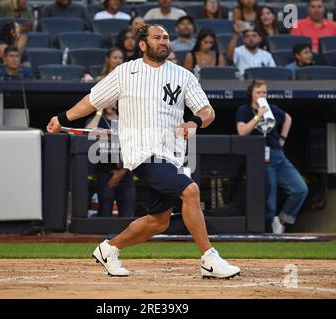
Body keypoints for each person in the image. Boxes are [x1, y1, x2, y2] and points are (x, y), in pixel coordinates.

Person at [47, 24, 241, 279]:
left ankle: (109, 249)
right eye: (157, 37)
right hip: (141, 152)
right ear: (142, 44)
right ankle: (208, 258)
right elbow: (92, 100)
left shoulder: (184, 75)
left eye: (166, 38)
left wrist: (194, 121)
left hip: (171, 155)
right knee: (190, 190)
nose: (163, 41)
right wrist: (62, 118)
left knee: (158, 221)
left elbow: (208, 111)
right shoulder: (125, 72)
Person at [236, 80, 308, 234]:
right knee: (269, 201)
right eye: (258, 92)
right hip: (260, 156)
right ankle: (267, 235)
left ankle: (281, 220)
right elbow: (242, 132)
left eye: (264, 92)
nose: (262, 95)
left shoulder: (272, 108)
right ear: (251, 94)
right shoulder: (244, 110)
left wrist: (282, 138)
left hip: (278, 155)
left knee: (300, 189)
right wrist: (258, 116)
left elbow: (288, 118)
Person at [86, 104, 135, 217]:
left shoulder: (126, 121)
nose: (108, 103)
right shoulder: (99, 121)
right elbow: (88, 133)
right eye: (106, 101)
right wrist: (98, 112)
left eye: (111, 100)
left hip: (125, 171)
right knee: (105, 209)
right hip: (105, 171)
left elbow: (135, 147)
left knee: (128, 211)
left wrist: (121, 172)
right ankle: (105, 234)